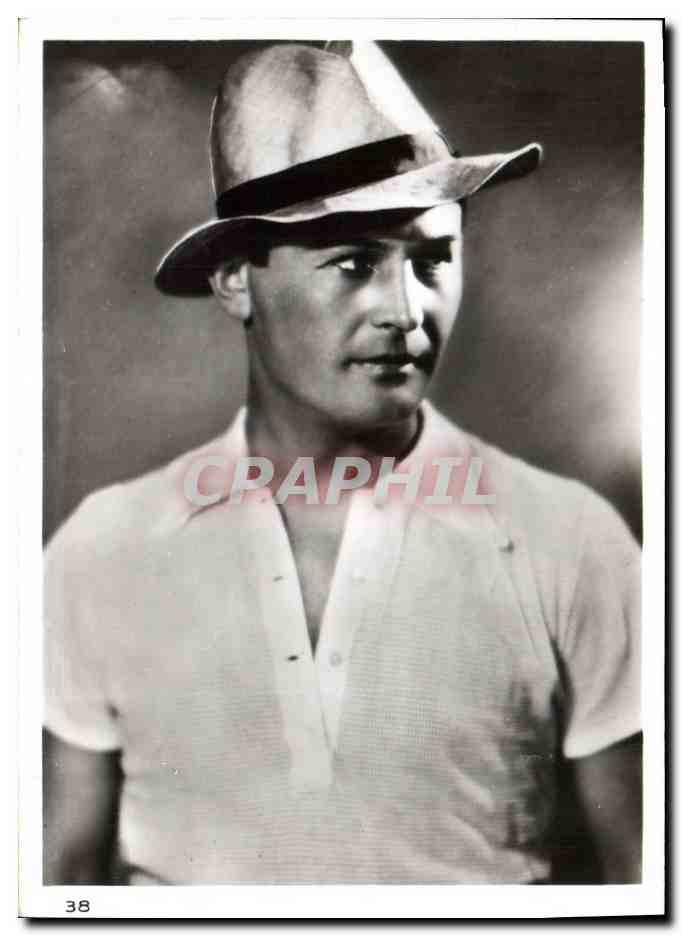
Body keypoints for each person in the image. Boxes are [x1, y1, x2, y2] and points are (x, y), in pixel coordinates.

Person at [43, 41, 641, 886]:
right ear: (235, 281)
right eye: (355, 263)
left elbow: (648, 883)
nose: (406, 312)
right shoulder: (103, 548)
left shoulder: (571, 542)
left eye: (431, 259)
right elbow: (58, 882)